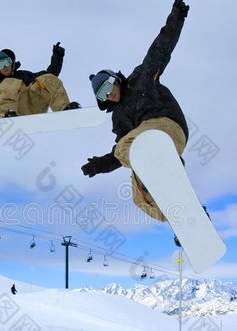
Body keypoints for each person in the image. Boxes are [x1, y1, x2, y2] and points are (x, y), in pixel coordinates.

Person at [82, 0, 191, 243]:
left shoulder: (140, 80)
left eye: (109, 86)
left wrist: (177, 16)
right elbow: (125, 152)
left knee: (126, 147)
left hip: (167, 125)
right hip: (145, 144)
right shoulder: (119, 119)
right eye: (102, 94)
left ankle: (170, 162)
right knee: (139, 196)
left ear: (116, 79)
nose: (109, 94)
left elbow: (161, 49)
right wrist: (101, 165)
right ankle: (183, 220)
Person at [0, 43, 80, 119]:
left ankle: (64, 109)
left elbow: (49, 76)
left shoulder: (24, 75)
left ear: (11, 63)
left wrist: (57, 57)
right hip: (16, 112)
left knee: (45, 78)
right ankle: (6, 116)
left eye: (7, 63)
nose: (5, 67)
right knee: (8, 83)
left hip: (35, 105)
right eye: (1, 65)